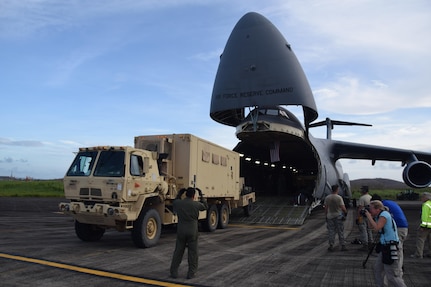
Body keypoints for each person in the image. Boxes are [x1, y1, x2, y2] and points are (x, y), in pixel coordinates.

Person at [364, 200, 407, 287]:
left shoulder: (384, 215)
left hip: (392, 247)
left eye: (371, 209)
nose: (370, 210)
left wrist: (369, 216)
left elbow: (376, 228)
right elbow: (371, 227)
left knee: (392, 275)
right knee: (378, 269)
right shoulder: (378, 215)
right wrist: (369, 217)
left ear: (377, 209)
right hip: (385, 246)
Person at [170, 187, 208, 279]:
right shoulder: (196, 204)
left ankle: (174, 272)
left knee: (178, 252)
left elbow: (174, 202)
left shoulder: (179, 203)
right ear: (194, 196)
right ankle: (191, 273)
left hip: (181, 230)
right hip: (192, 231)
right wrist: (202, 195)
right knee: (193, 253)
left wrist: (179, 194)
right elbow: (205, 206)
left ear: (185, 194)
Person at [371, 194, 408, 270]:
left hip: (397, 228)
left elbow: (377, 226)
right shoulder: (389, 203)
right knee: (398, 248)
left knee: (397, 248)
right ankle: (397, 266)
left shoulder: (382, 208)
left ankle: (398, 268)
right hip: (403, 225)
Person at [324, 184, 348, 251]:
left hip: (330, 216)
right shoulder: (339, 197)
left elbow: (326, 208)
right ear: (337, 189)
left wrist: (326, 215)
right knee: (340, 231)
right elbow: (343, 208)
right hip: (338, 216)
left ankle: (331, 245)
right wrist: (345, 213)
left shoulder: (327, 198)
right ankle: (343, 245)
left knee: (331, 231)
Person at [410, 192, 431, 259]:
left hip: (426, 226)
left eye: (422, 197)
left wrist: (422, 226)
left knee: (420, 239)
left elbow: (424, 216)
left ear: (425, 198)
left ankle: (418, 254)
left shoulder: (426, 205)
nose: (421, 199)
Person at [356, 185, 373, 251]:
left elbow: (360, 208)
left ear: (364, 190)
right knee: (369, 230)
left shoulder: (362, 198)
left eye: (361, 189)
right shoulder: (370, 197)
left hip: (362, 216)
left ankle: (365, 244)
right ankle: (370, 242)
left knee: (363, 230)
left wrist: (358, 217)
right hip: (369, 216)